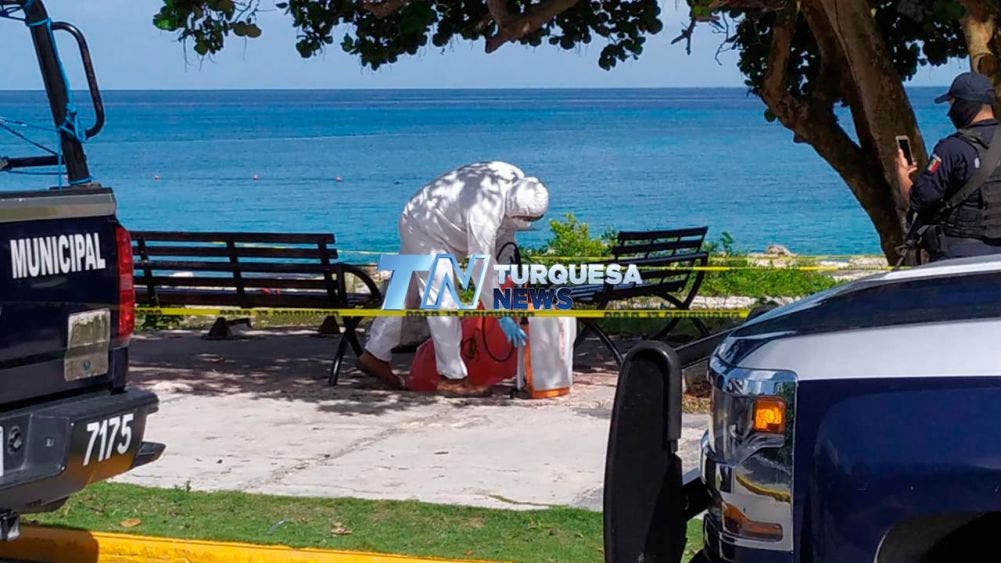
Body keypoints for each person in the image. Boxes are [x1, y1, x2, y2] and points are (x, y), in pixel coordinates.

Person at [357, 161, 549, 396]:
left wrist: (507, 268)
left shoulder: (514, 179)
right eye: (522, 218)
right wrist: (501, 314)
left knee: (401, 292)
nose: (527, 224)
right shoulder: (483, 213)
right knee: (443, 299)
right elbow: (481, 267)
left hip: (420, 214)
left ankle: (375, 354)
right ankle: (452, 377)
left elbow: (505, 235)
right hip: (427, 230)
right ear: (511, 206)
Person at [896, 72, 1001, 261]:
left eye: (952, 104)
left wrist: (902, 175)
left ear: (964, 104)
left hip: (960, 255)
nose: (949, 112)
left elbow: (919, 201)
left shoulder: (952, 149)